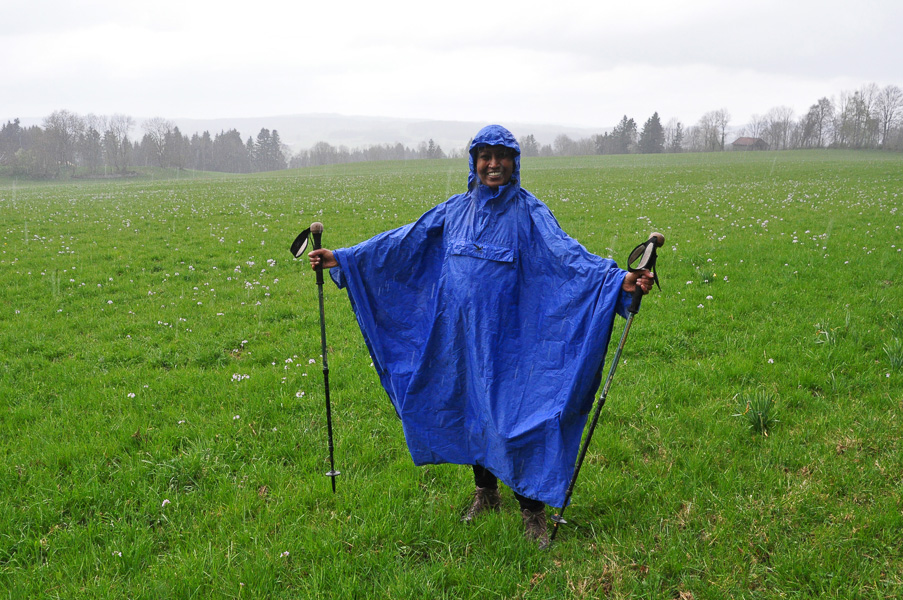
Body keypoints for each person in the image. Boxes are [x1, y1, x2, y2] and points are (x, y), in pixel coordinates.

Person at [309, 125, 653, 547]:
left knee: (514, 420)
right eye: (485, 156)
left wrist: (618, 281)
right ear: (473, 162)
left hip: (511, 341)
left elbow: (567, 256)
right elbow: (404, 242)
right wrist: (344, 258)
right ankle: (486, 493)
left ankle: (532, 511)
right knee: (470, 412)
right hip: (457, 338)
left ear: (514, 162)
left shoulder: (529, 214)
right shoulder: (454, 210)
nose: (493, 164)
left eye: (501, 156)